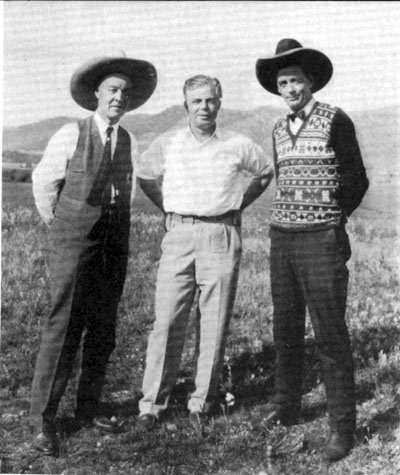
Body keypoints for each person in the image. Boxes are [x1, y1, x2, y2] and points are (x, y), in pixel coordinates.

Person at [30, 52, 157, 456]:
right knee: (64, 323)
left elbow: (130, 190)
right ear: (97, 94)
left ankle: (88, 407)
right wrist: (63, 225)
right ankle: (43, 419)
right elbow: (44, 182)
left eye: (125, 92)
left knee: (103, 325)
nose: (119, 97)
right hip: (74, 240)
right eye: (113, 90)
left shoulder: (129, 139)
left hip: (113, 243)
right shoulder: (72, 133)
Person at [136, 74, 273, 429]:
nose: (204, 107)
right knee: (166, 320)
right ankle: (151, 405)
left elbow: (263, 172)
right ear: (186, 106)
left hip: (220, 235)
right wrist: (168, 210)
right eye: (196, 101)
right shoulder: (169, 143)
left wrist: (238, 207)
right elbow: (146, 176)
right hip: (179, 235)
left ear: (220, 103)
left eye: (210, 100)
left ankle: (202, 400)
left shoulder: (237, 143)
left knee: (214, 322)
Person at [255, 39, 369, 462]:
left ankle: (342, 428)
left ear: (310, 81)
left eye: (296, 80)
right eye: (283, 82)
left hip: (321, 240)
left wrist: (332, 219)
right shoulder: (278, 129)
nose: (289, 88)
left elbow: (357, 179)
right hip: (281, 239)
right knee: (285, 328)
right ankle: (287, 407)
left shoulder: (335, 119)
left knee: (330, 334)